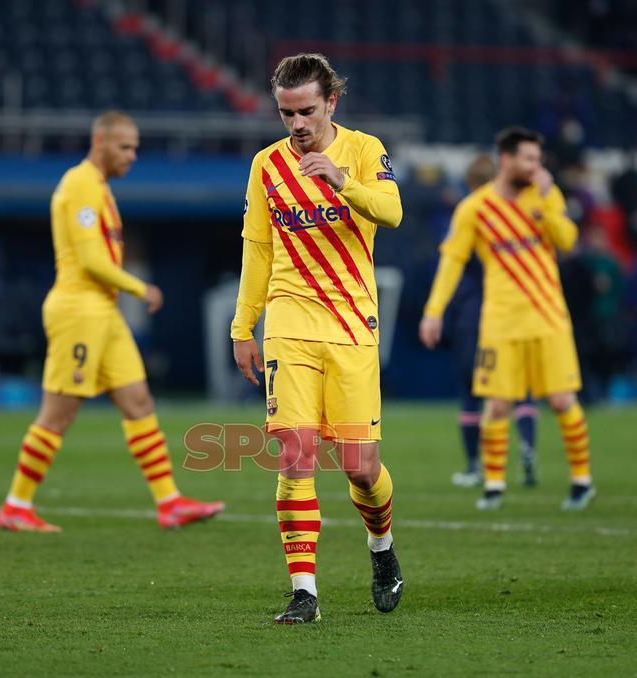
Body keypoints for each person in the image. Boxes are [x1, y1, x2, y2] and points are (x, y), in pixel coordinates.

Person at [231, 54, 403, 623]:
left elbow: (393, 211)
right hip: (289, 322)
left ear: (331, 102)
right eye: (287, 114)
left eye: (307, 111)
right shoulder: (266, 166)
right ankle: (305, 591)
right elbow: (257, 248)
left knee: (359, 466)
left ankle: (381, 548)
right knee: (295, 454)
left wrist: (343, 181)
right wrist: (243, 326)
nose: (297, 124)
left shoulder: (363, 149)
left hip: (353, 324)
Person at [0, 111, 224, 532]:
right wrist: (141, 288)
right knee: (58, 414)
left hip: (103, 312)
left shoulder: (98, 188)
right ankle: (16, 504)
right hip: (79, 312)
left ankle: (169, 502)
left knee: (138, 401)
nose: (133, 156)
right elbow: (89, 260)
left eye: (135, 147)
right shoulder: (80, 184)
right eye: (125, 147)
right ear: (99, 144)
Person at [419, 127, 595, 511]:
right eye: (529, 159)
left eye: (538, 160)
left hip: (549, 317)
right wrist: (434, 311)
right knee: (497, 405)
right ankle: (495, 485)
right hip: (500, 322)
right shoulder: (475, 208)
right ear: (506, 160)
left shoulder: (545, 195)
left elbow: (567, 240)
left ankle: (582, 481)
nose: (536, 167)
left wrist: (548, 202)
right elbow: (453, 261)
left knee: (564, 400)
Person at [444, 155, 538, 488]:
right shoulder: (515, 214)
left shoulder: (468, 215)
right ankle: (527, 445)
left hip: (475, 312)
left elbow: (452, 263)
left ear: (470, 184)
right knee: (520, 386)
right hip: (515, 310)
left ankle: (474, 465)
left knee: (471, 390)